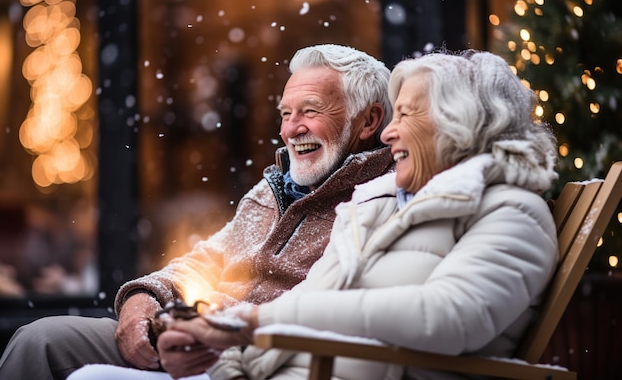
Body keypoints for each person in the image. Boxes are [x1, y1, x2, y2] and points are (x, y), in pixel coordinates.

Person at [68, 49, 559, 380]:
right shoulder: (388, 205)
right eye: (284, 113)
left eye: (406, 116)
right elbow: (308, 296)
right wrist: (225, 349)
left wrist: (244, 326)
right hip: (263, 368)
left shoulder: (512, 210)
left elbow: (449, 317)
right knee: (59, 352)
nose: (390, 134)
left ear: (461, 123)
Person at [0, 44, 394, 380]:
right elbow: (203, 261)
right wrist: (143, 301)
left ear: (369, 120)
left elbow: (332, 313)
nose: (291, 130)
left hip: (245, 357)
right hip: (185, 335)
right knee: (41, 339)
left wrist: (215, 331)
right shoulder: (271, 190)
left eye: (311, 111)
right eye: (286, 114)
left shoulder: (379, 201)